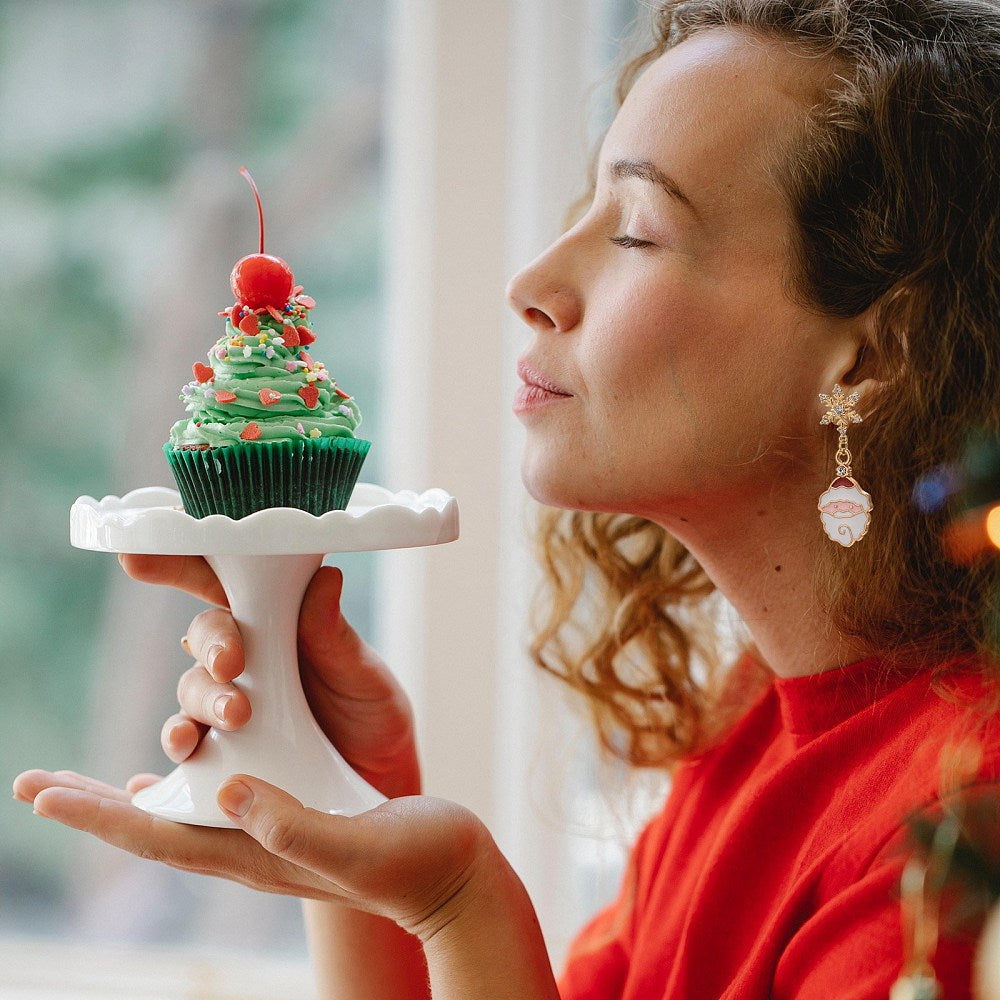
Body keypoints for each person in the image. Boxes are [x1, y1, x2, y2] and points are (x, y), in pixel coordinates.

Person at [15, 0, 1000, 996]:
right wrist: (357, 810)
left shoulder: (962, 832)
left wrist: (461, 903)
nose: (529, 281)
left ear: (877, 352)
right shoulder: (755, 726)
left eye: (637, 232)